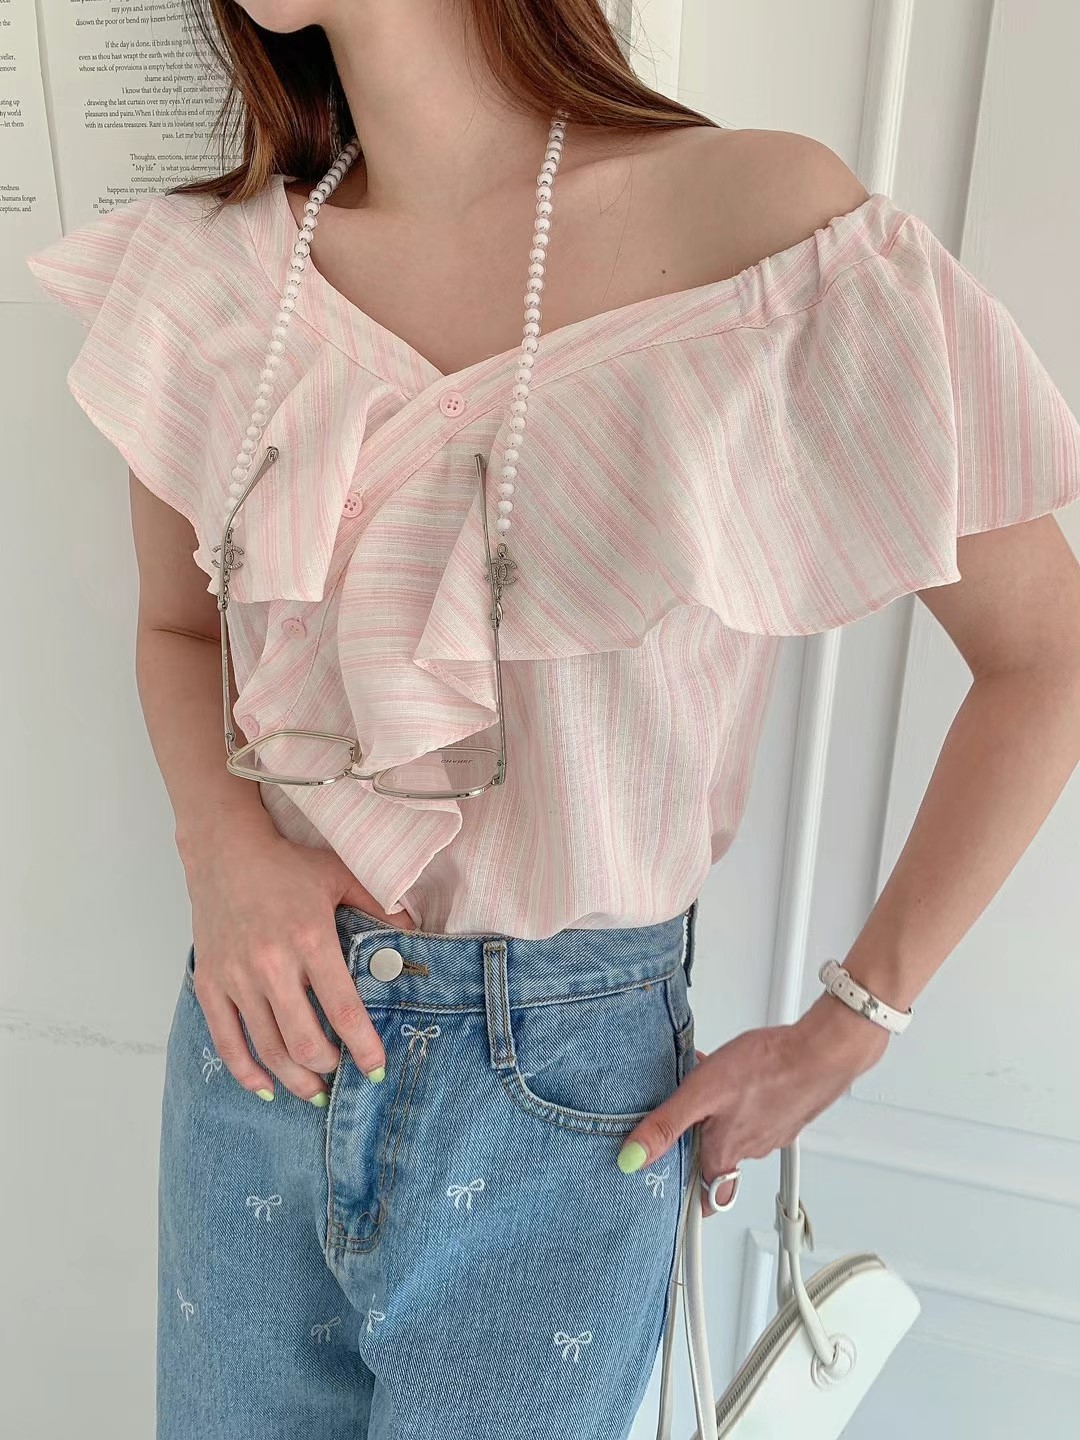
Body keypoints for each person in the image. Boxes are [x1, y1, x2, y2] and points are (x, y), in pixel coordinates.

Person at [25, 2, 1080, 1437]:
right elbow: (176, 628)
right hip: (259, 1038)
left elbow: (1044, 654)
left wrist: (855, 1022)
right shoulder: (213, 275)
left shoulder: (762, 232)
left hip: (568, 1098)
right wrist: (222, 852)